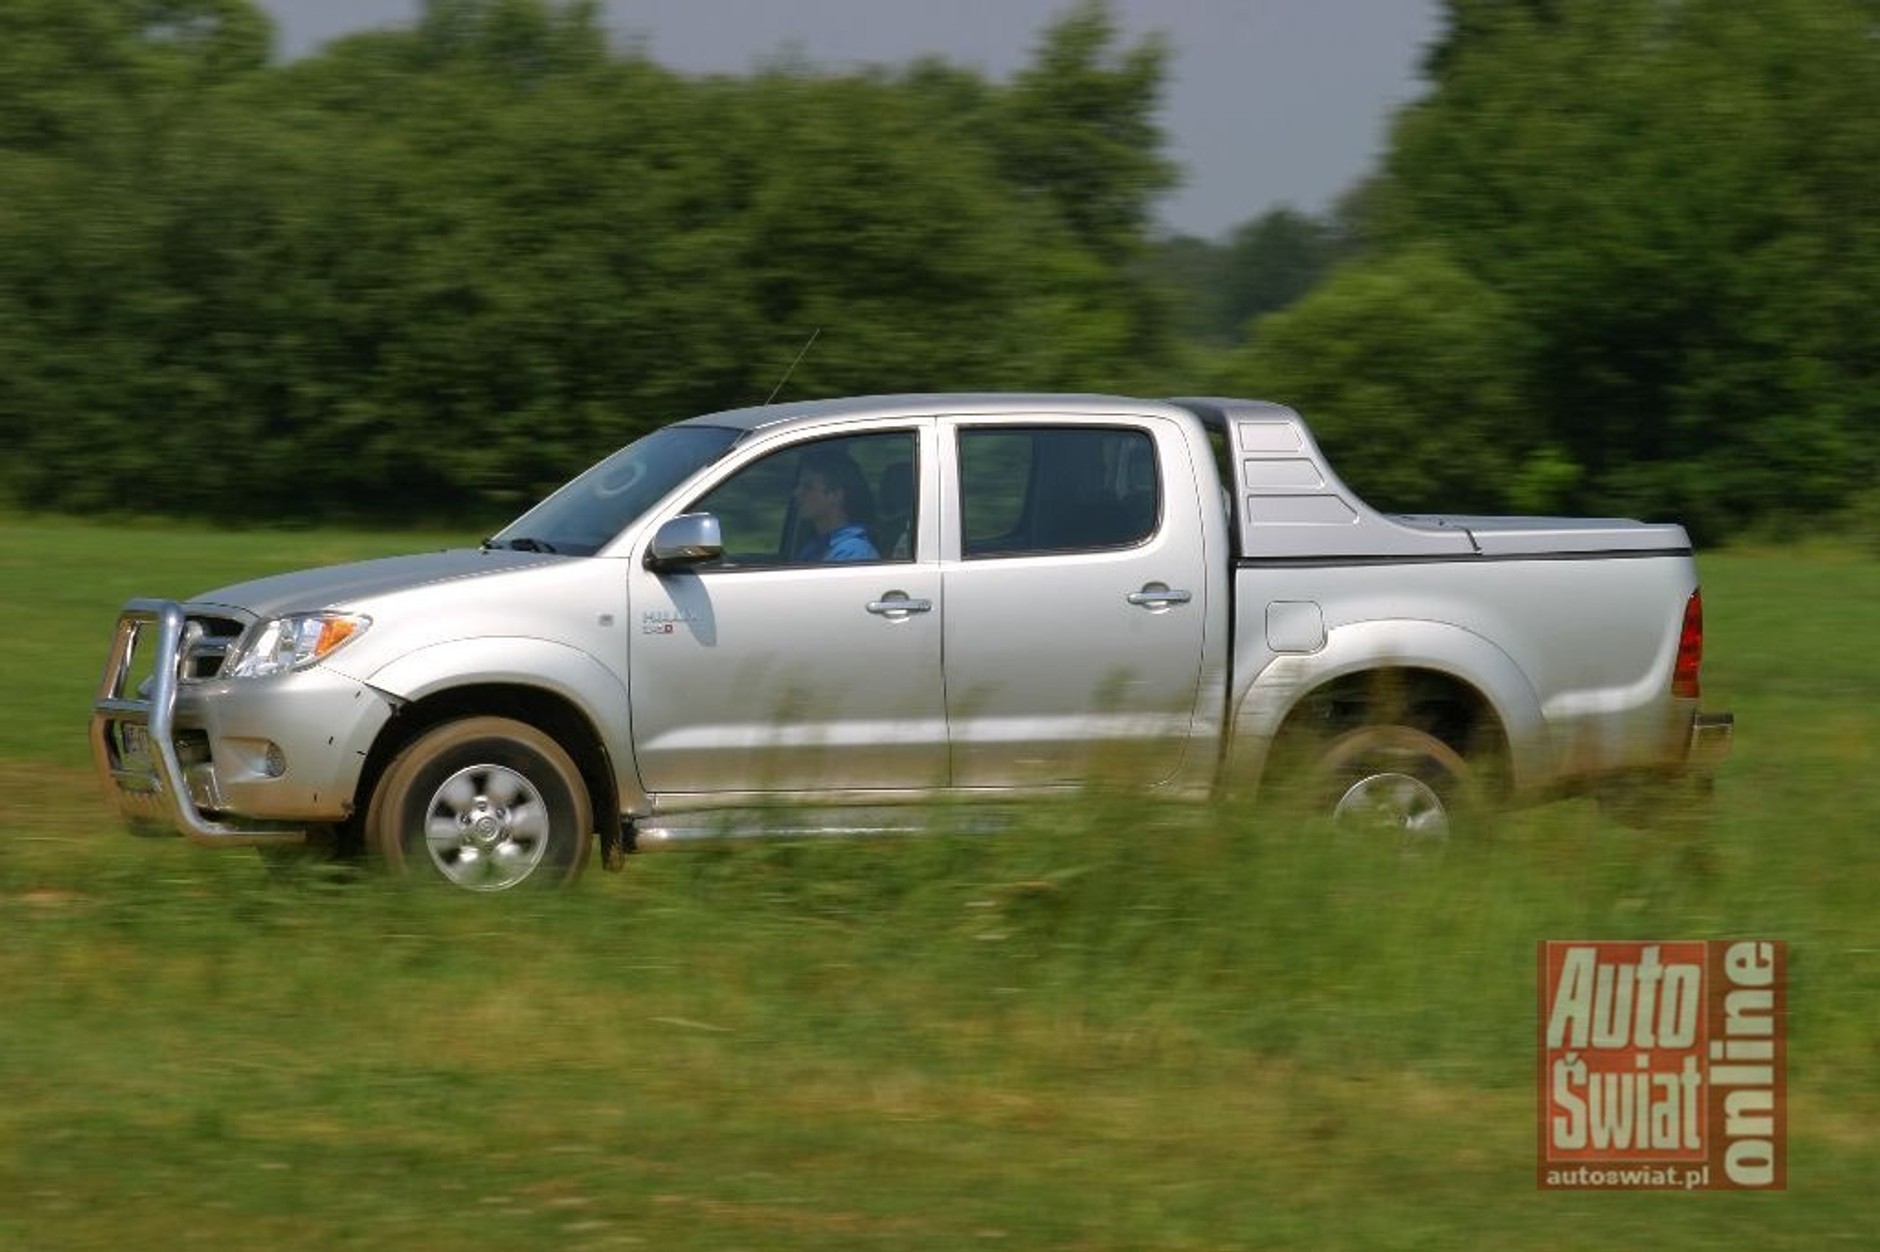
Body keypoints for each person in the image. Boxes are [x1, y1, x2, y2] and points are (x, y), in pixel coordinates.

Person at [792, 447, 880, 562]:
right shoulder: (815, 548)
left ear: (835, 495)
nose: (796, 493)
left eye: (808, 487)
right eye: (799, 485)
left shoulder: (854, 553)